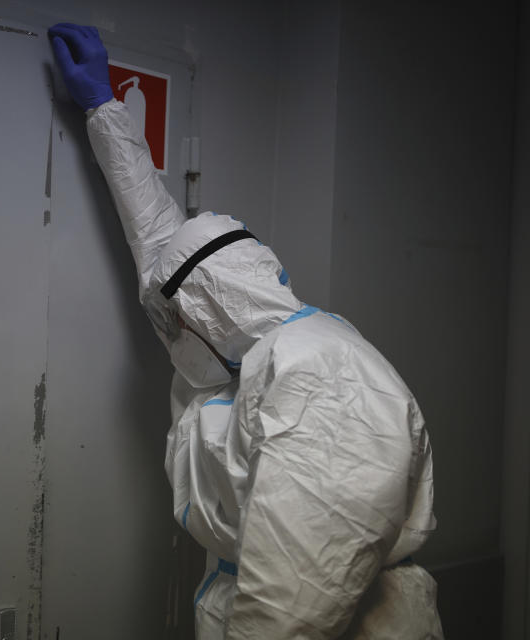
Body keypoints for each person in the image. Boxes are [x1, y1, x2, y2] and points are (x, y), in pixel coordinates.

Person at [48, 23, 444, 640]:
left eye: (175, 320)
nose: (167, 331)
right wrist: (104, 109)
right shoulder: (239, 339)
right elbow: (157, 237)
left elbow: (294, 605)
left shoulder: (324, 376)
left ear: (203, 319)